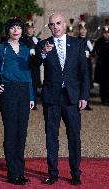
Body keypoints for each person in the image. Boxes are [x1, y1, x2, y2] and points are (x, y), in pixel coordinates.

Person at [36, 12, 89, 185]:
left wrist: (84, 96)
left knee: (74, 136)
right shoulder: (43, 45)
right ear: (49, 27)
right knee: (51, 137)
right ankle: (52, 173)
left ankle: (75, 173)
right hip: (51, 98)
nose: (55, 27)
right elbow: (33, 65)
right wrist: (43, 53)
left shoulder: (77, 44)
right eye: (52, 24)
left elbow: (84, 73)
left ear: (64, 24)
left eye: (58, 23)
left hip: (72, 98)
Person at [0, 18, 34, 185]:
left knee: (22, 133)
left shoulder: (26, 49)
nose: (16, 30)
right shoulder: (0, 49)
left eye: (19, 27)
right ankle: (13, 173)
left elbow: (29, 75)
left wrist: (32, 96)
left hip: (24, 93)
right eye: (12, 28)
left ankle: (20, 170)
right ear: (8, 31)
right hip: (9, 92)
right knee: (11, 132)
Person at [94, 19, 109, 105]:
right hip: (102, 66)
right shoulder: (99, 42)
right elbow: (96, 52)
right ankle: (103, 99)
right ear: (103, 33)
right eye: (105, 33)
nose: (106, 34)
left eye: (107, 33)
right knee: (103, 84)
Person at [21, 14, 41, 110]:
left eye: (31, 28)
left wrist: (37, 44)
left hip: (34, 65)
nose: (30, 30)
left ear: (34, 29)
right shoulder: (22, 40)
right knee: (25, 84)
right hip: (25, 65)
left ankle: (34, 103)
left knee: (34, 84)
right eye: (28, 28)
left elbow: (41, 52)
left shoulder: (38, 40)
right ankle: (25, 103)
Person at [78, 14, 94, 110]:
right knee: (79, 83)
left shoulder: (90, 41)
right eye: (81, 29)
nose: (83, 31)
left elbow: (95, 54)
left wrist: (92, 49)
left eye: (85, 29)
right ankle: (79, 102)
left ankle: (87, 103)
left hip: (88, 64)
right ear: (79, 30)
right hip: (79, 64)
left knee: (87, 83)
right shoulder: (76, 41)